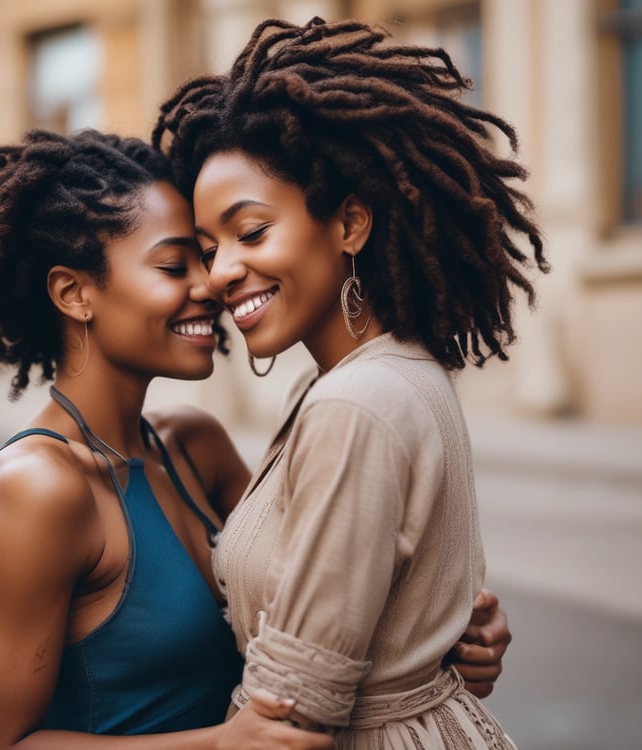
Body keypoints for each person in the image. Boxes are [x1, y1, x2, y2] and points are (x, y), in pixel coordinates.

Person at [0, 128, 507, 749]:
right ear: (75, 294)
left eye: (206, 257)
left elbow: (318, 576)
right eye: (175, 264)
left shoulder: (195, 445)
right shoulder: (37, 487)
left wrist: (444, 625)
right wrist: (217, 744)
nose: (211, 283)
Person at [153, 16, 549, 749]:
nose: (221, 272)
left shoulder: (353, 402)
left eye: (251, 231)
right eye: (207, 249)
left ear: (351, 224)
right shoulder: (392, 370)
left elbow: (287, 721)